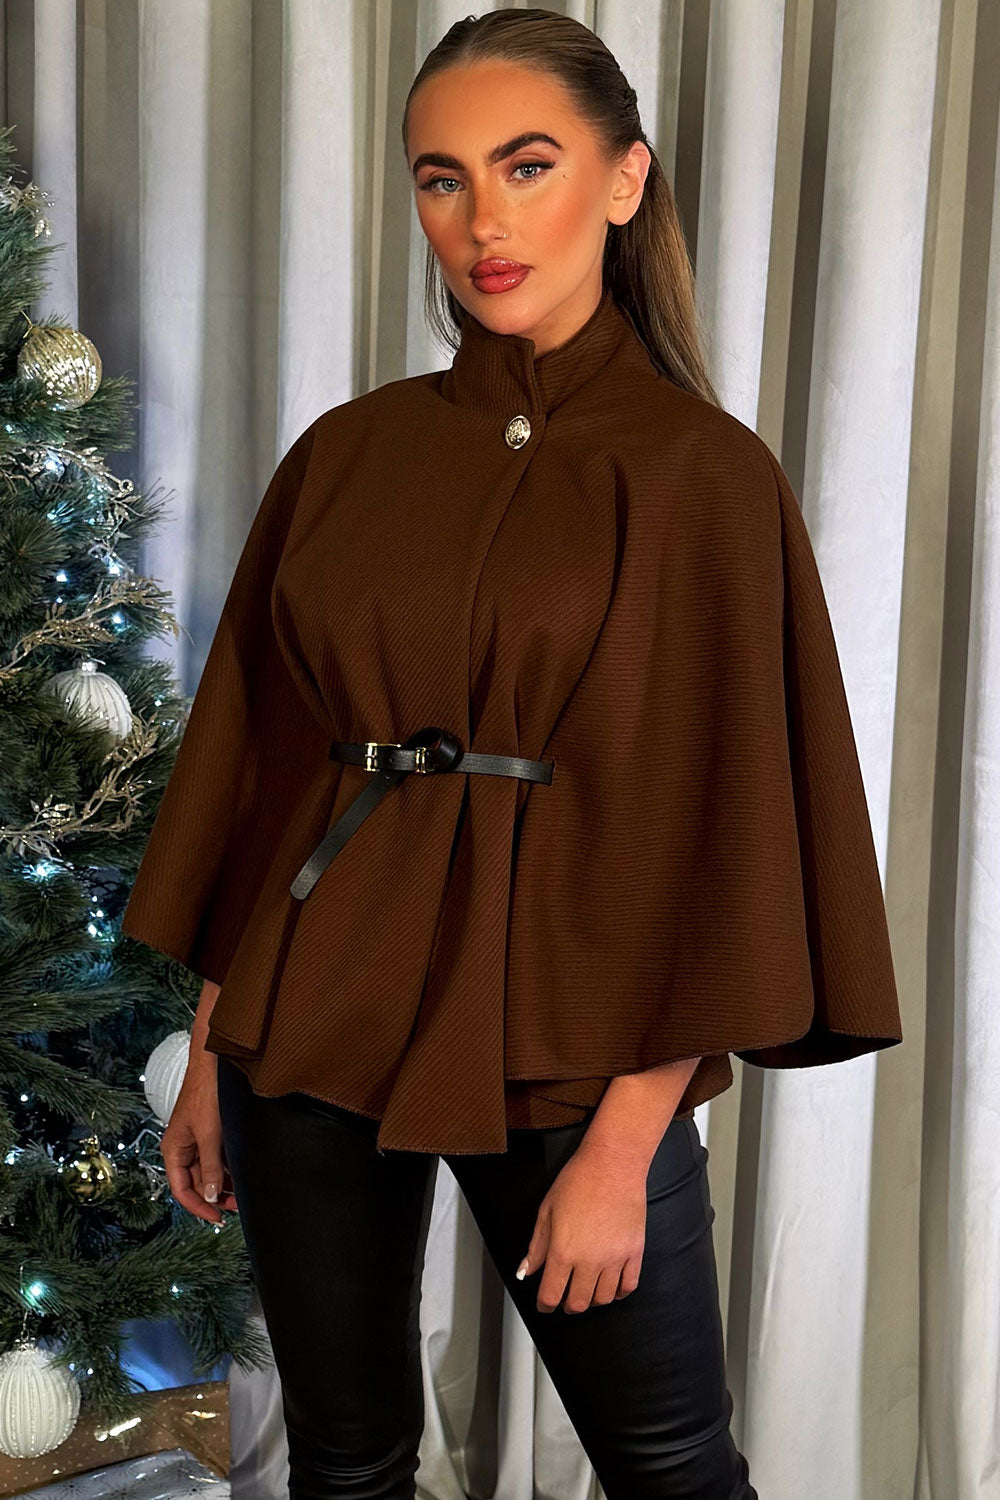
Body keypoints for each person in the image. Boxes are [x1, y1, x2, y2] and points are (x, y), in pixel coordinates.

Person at [121, 10, 903, 1499]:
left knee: (671, 1470)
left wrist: (627, 1141)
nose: (482, 221)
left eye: (526, 165)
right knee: (345, 1462)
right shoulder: (347, 453)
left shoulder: (703, 476)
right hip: (312, 1010)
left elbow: (718, 825)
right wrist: (218, 1038)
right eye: (443, 177)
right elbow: (273, 762)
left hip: (573, 1035)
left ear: (624, 179)